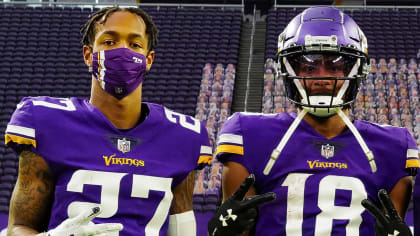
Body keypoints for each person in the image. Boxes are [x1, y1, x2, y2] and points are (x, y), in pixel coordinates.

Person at [209, 6, 419, 236]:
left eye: (336, 66)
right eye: (309, 67)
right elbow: (238, 228)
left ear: (357, 69)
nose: (322, 77)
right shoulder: (249, 133)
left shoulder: (393, 146)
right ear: (287, 69)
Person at [5, 7, 212, 236]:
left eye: (135, 45)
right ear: (88, 55)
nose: (122, 51)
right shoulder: (46, 122)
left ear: (148, 59)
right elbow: (19, 228)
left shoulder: (182, 137)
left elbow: (182, 232)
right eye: (110, 42)